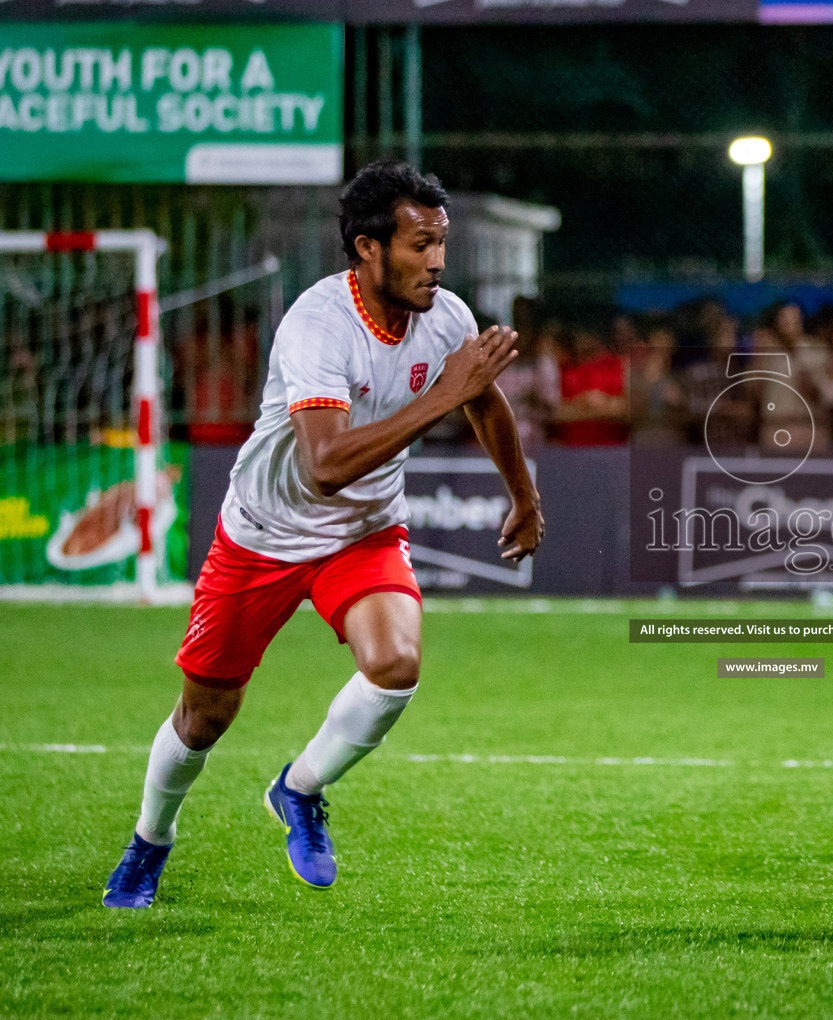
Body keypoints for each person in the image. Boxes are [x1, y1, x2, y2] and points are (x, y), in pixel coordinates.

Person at [102, 161, 545, 908]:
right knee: (206, 714)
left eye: (442, 243)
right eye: (419, 245)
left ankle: (299, 789)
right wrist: (445, 392)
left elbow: (484, 405)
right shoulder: (317, 324)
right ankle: (150, 841)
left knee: (396, 663)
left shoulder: (446, 317)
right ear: (368, 249)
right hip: (263, 535)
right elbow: (327, 465)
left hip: (364, 534)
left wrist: (524, 496)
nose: (437, 262)